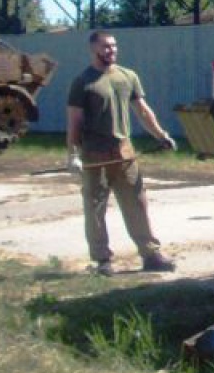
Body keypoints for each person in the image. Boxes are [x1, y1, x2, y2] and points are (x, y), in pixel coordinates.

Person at [66, 31, 178, 276]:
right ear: (93, 49)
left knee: (137, 204)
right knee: (95, 209)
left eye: (114, 46)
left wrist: (161, 135)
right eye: (106, 46)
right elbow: (74, 121)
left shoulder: (128, 76)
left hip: (124, 153)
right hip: (94, 155)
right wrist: (73, 154)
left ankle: (151, 255)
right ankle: (102, 260)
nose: (111, 50)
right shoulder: (83, 81)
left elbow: (143, 111)